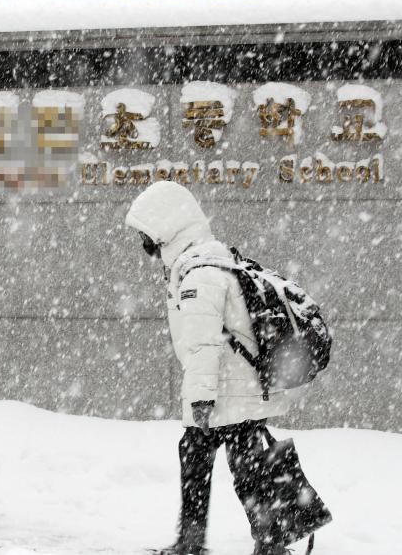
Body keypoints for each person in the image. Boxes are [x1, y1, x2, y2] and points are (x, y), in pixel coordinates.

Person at [124, 181, 295, 555]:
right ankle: (220, 541)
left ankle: (260, 544)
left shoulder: (201, 273)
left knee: (239, 470)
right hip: (233, 391)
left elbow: (204, 344)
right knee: (216, 462)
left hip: (226, 394)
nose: (146, 247)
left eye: (148, 238)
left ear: (168, 230)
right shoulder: (208, 262)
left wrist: (200, 399)